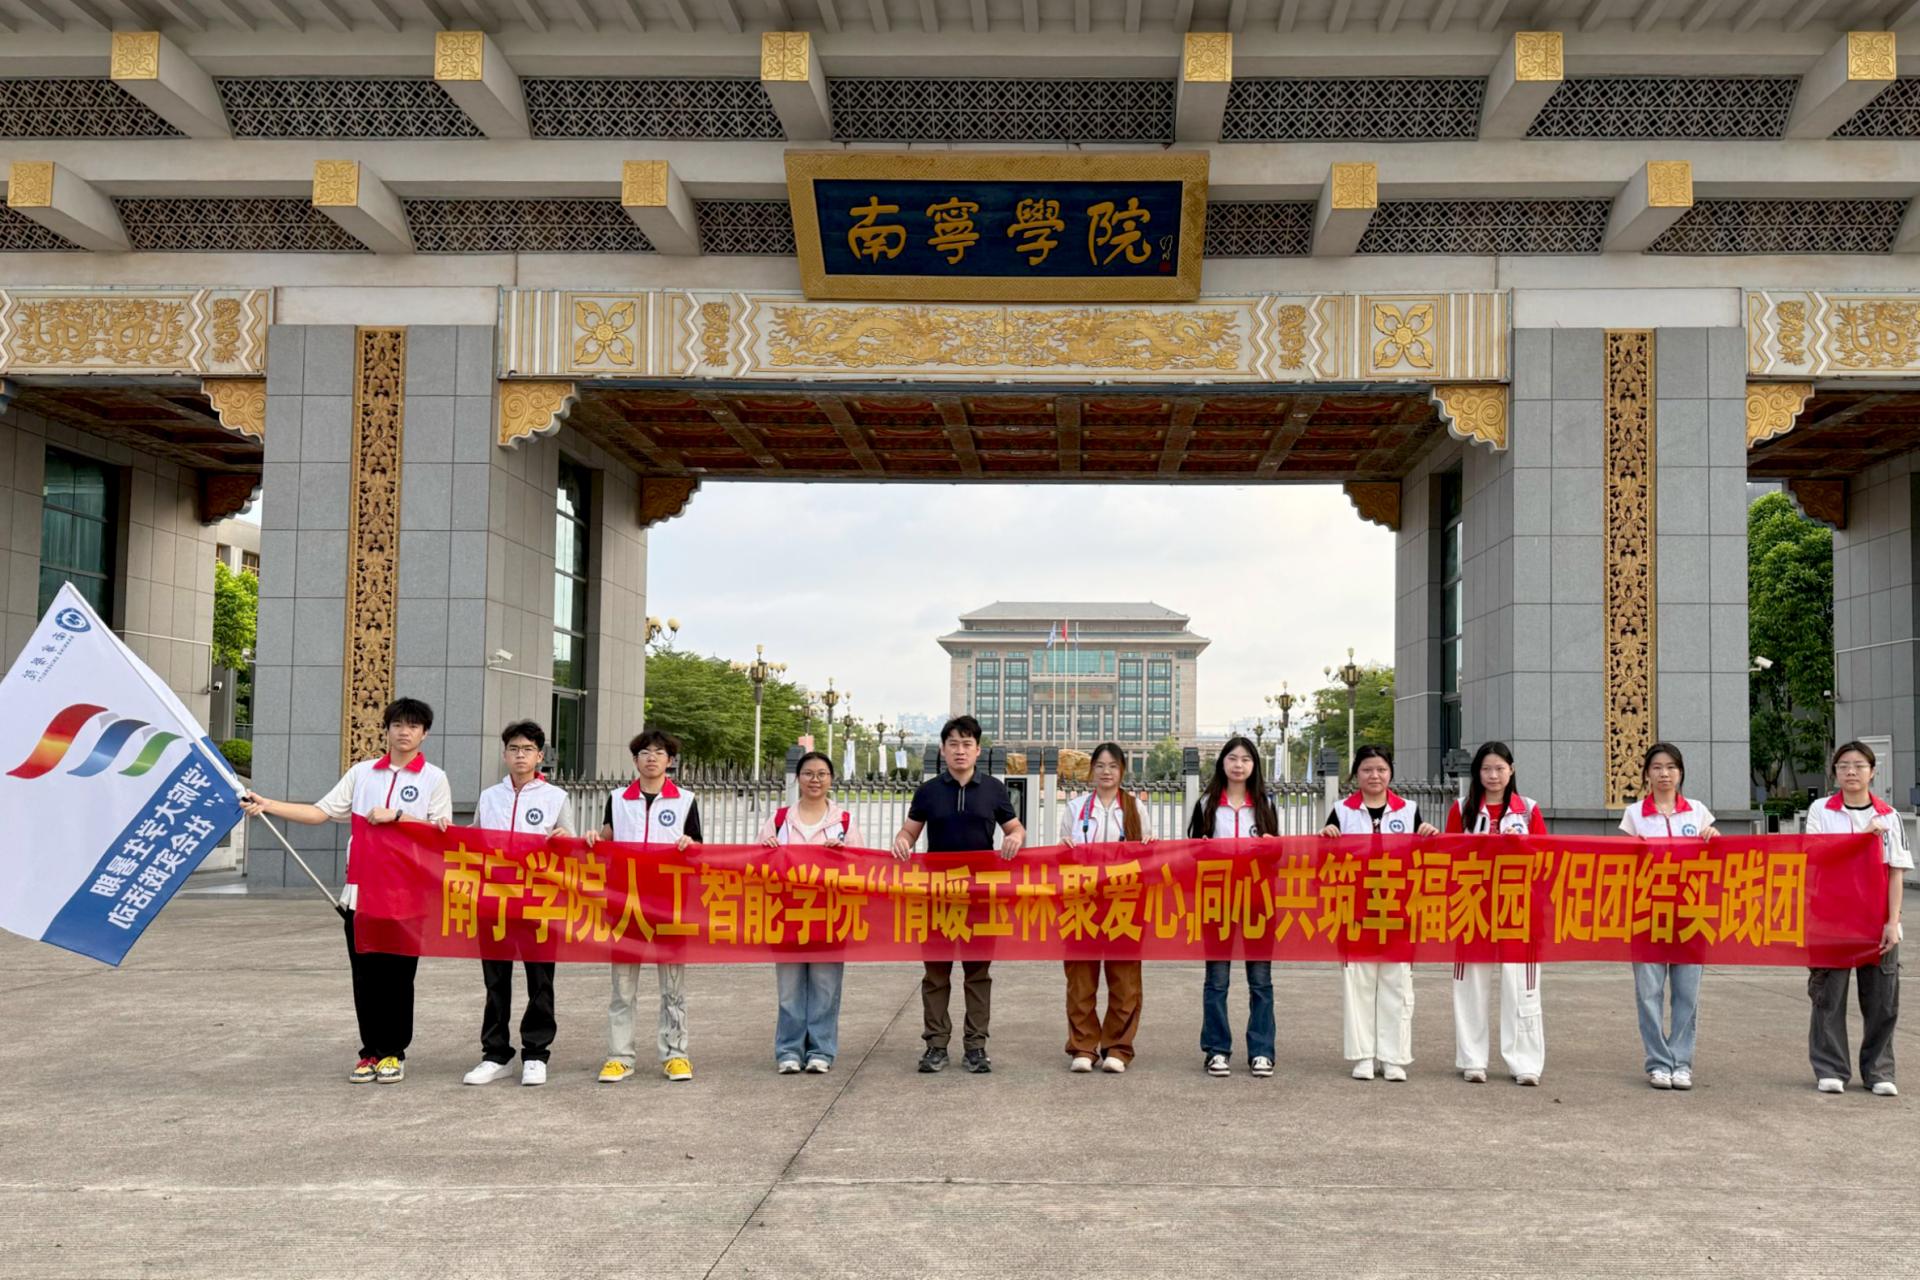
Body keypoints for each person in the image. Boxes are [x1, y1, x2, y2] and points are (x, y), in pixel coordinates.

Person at [240, 697, 452, 1085]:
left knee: (398, 977)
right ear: (386, 730)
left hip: (408, 896)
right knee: (365, 977)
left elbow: (441, 834)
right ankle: (370, 1051)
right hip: (361, 893)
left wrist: (398, 816)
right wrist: (267, 804)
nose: (404, 732)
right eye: (397, 725)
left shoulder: (433, 779)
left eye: (413, 726)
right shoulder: (362, 774)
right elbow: (320, 812)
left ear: (425, 734)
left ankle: (393, 1052)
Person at [891, 715, 1026, 1075]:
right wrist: (902, 841)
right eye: (953, 744)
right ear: (943, 750)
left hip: (980, 898)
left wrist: (1015, 837)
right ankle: (935, 1045)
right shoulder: (929, 791)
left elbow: (1014, 828)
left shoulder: (994, 790)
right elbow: (909, 831)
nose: (960, 750)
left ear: (978, 750)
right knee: (936, 974)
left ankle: (976, 1047)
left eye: (967, 744)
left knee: (977, 974)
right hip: (937, 896)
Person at [462, 720, 574, 1088]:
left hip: (538, 901)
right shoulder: (489, 796)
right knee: (496, 980)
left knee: (540, 980)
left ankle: (536, 1053)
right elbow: (474, 841)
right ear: (505, 754)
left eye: (527, 749)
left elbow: (570, 844)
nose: (520, 755)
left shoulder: (555, 797)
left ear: (540, 756)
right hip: (494, 900)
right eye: (513, 749)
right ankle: (496, 1054)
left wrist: (564, 839)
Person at [589, 728, 701, 1085]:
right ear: (635, 760)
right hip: (626, 905)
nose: (652, 758)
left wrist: (689, 844)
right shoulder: (617, 798)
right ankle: (619, 1057)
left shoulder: (686, 800)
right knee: (623, 988)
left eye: (659, 753)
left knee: (673, 987)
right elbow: (607, 837)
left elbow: (698, 848)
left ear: (670, 760)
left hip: (669, 906)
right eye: (645, 753)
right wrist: (594, 838)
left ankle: (676, 1055)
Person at [1322, 745, 1438, 1081]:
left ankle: (1393, 1057)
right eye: (1367, 770)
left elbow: (1424, 858)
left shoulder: (1409, 810)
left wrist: (1428, 836)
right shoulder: (1341, 811)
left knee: (1396, 985)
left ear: (1391, 773)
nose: (1375, 776)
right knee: (1358, 983)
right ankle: (1362, 1056)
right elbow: (1325, 861)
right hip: (1355, 911)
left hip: (1398, 911)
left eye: (1381, 769)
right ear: (1356, 774)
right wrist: (1327, 838)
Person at [1802, 740, 1907, 1097]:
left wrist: (1892, 921)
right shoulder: (1821, 810)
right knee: (1828, 995)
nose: (1851, 771)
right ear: (1834, 772)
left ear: (1872, 772)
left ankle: (1879, 1070)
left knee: (1882, 999)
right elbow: (1816, 856)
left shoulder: (1889, 816)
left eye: (1859, 765)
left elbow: (1896, 871)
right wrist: (1862, 838)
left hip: (1876, 921)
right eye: (1844, 765)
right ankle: (1830, 1068)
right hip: (1830, 920)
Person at [1443, 741, 1547, 1086]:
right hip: (1473, 906)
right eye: (1486, 769)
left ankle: (1525, 1062)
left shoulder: (1528, 810)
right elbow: (1449, 855)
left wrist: (1521, 847)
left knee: (1522, 987)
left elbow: (1546, 857)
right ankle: (1472, 1059)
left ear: (1511, 771)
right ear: (1477, 772)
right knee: (1470, 985)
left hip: (1518, 908)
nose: (1493, 775)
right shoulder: (1462, 808)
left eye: (1500, 768)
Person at [1618, 741, 1718, 1091]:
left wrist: (1713, 837)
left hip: (1691, 914)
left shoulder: (1698, 812)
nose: (1665, 774)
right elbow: (1622, 864)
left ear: (1681, 773)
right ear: (1646, 774)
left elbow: (1718, 858)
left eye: (1671, 767)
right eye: (1657, 767)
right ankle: (1658, 1062)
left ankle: (1681, 1061)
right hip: (1647, 915)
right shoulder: (1634, 815)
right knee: (1649, 993)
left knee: (1687, 994)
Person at [760, 750, 860, 1075]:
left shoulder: (844, 822)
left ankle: (821, 1050)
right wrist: (768, 852)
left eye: (821, 774)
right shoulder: (779, 820)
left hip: (829, 916)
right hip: (786, 915)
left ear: (831, 779)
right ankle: (788, 1050)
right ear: (798, 779)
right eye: (808, 774)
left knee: (825, 987)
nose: (815, 780)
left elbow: (862, 868)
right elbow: (755, 865)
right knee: (789, 989)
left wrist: (843, 855)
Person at [1190, 736, 1280, 1079]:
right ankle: (1216, 1050)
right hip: (1218, 900)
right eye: (1232, 758)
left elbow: (1278, 854)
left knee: (1261, 981)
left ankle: (1262, 1051)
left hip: (1258, 900)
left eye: (1245, 759)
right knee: (1217, 980)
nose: (1239, 765)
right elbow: (1192, 852)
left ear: (1254, 765)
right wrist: (1203, 849)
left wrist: (1272, 847)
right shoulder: (1207, 803)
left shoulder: (1266, 803)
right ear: (1222, 763)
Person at [1058, 742, 1150, 1074]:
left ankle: (1118, 1047)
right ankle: (1083, 1047)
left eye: (1113, 766)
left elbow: (1148, 855)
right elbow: (1062, 852)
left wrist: (1149, 848)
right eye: (1100, 765)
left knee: (1124, 978)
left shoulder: (1136, 808)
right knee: (1081, 978)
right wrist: (1065, 847)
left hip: (1123, 900)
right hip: (1082, 901)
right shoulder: (1076, 807)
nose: (1106, 772)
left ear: (1122, 770)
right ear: (1091, 770)